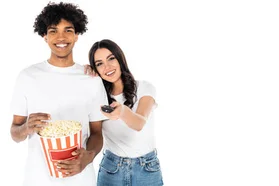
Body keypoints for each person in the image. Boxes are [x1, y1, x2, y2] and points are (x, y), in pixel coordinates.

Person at [9, 2, 108, 186]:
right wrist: (26, 128)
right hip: (38, 179)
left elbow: (97, 134)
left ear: (77, 35)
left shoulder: (92, 79)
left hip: (81, 180)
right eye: (53, 31)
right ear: (44, 36)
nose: (61, 37)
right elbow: (14, 133)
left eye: (68, 30)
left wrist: (87, 158)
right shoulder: (27, 77)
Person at [85, 39, 164, 186]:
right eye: (99, 63)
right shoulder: (98, 98)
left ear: (120, 59)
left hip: (147, 169)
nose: (107, 67)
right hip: (112, 169)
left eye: (111, 59)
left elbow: (139, 122)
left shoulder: (144, 88)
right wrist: (86, 77)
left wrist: (122, 112)